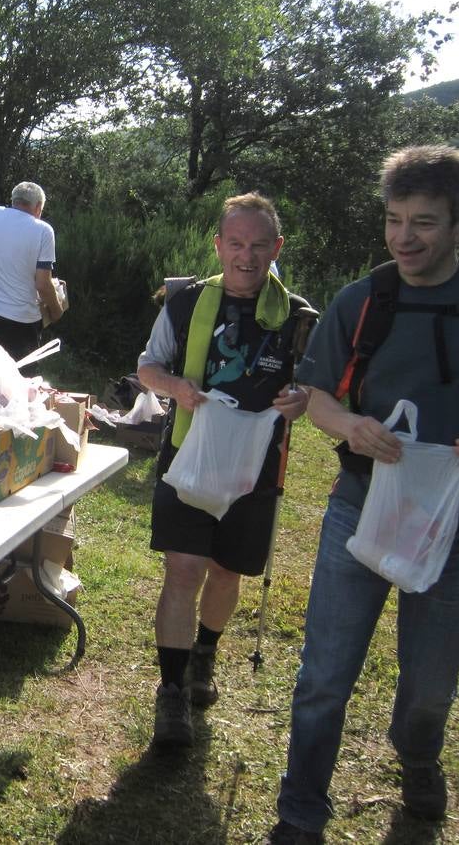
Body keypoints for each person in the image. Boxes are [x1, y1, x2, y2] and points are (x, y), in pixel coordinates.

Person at [268, 146, 459, 843]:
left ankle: (417, 758)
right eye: (392, 220)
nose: (403, 238)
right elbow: (315, 394)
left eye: (423, 222)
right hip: (362, 508)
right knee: (324, 674)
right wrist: (349, 425)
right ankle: (299, 812)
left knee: (428, 689)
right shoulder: (363, 300)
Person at [136, 193, 311, 748]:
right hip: (188, 456)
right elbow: (147, 366)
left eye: (259, 246)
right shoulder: (185, 303)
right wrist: (175, 388)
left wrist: (304, 398)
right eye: (235, 244)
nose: (246, 256)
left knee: (226, 572)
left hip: (255, 470)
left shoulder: (300, 318)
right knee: (183, 569)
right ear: (219, 246)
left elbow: (320, 388)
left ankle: (205, 652)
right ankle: (171, 691)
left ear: (276, 249)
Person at [0, 181, 64, 363]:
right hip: (19, 322)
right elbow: (43, 285)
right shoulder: (43, 231)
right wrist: (57, 311)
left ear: (14, 201)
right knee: (20, 385)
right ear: (38, 208)